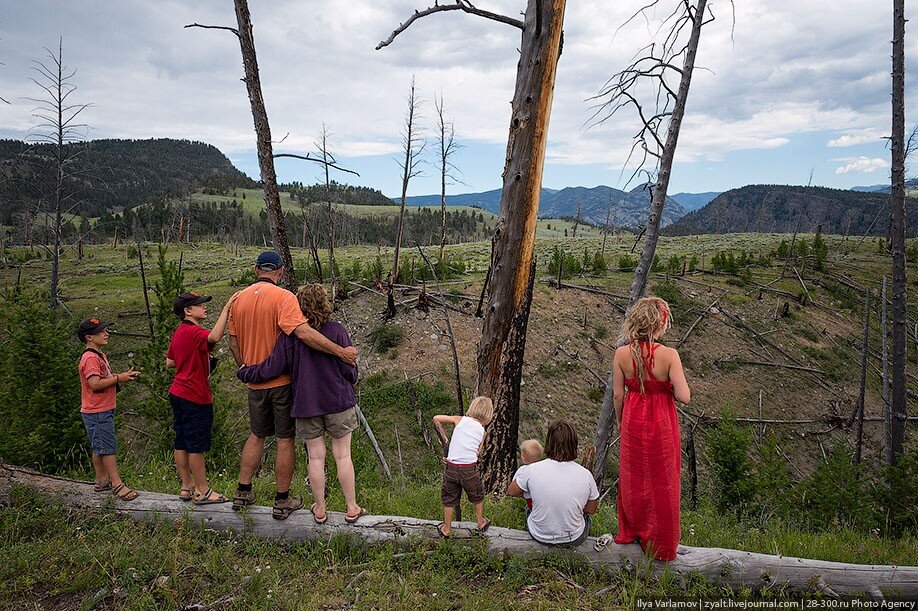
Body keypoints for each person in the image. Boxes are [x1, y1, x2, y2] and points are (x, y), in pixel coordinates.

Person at [228, 251, 357, 520]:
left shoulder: (238, 299)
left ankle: (245, 490)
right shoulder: (290, 303)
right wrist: (343, 357)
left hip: (279, 392)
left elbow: (233, 341)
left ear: (256, 270)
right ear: (281, 270)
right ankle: (291, 500)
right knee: (314, 448)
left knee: (262, 437)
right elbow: (305, 336)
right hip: (305, 392)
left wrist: (245, 371)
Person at [612, 296, 690, 562]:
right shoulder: (669, 356)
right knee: (663, 481)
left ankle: (632, 530)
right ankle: (662, 543)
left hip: (633, 419)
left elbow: (617, 396)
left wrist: (622, 422)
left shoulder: (622, 354)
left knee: (633, 476)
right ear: (659, 324)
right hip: (662, 423)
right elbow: (684, 396)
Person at [165, 290, 239, 504]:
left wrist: (193, 360)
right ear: (187, 311)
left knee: (181, 441)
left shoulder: (180, 332)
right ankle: (203, 491)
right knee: (196, 445)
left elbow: (170, 362)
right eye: (200, 305)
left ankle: (186, 485)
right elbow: (214, 337)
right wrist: (226, 310)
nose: (204, 307)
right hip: (194, 395)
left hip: (178, 391)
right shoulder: (195, 332)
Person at [77, 317, 140, 501]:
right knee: (107, 448)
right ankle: (117, 484)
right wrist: (119, 378)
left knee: (99, 446)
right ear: (89, 337)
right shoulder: (90, 358)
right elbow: (95, 384)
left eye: (106, 330)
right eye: (101, 332)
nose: (106, 334)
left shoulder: (98, 354)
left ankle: (102, 480)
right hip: (97, 411)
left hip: (100, 408)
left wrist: (121, 377)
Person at [508, 420, 598, 547]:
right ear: (574, 444)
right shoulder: (586, 475)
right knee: (586, 519)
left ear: (548, 443)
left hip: (538, 534)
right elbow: (591, 509)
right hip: (572, 538)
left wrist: (534, 495)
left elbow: (511, 491)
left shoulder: (532, 469)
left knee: (530, 508)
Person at [432, 397, 494, 538]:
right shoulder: (483, 432)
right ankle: (480, 522)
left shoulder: (459, 420)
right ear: (488, 414)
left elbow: (436, 418)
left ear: (472, 408)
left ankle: (447, 529)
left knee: (449, 498)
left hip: (451, 468)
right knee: (477, 495)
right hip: (469, 469)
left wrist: (445, 440)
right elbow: (478, 453)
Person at [512, 439, 544, 513]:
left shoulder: (522, 470)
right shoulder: (543, 469)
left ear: (522, 457)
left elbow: (514, 486)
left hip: (530, 502)